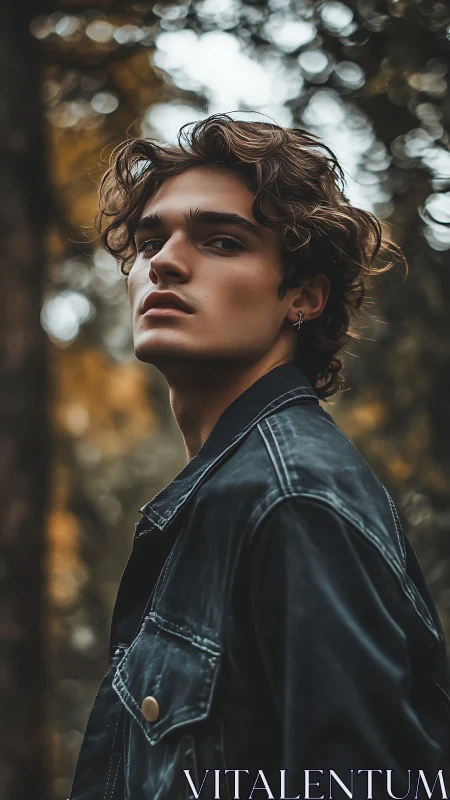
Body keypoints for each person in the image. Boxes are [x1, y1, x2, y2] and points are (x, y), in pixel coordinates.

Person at [69, 114, 450, 800]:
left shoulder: (291, 498)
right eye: (150, 240)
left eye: (221, 240)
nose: (165, 261)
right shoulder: (230, 492)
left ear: (303, 296)